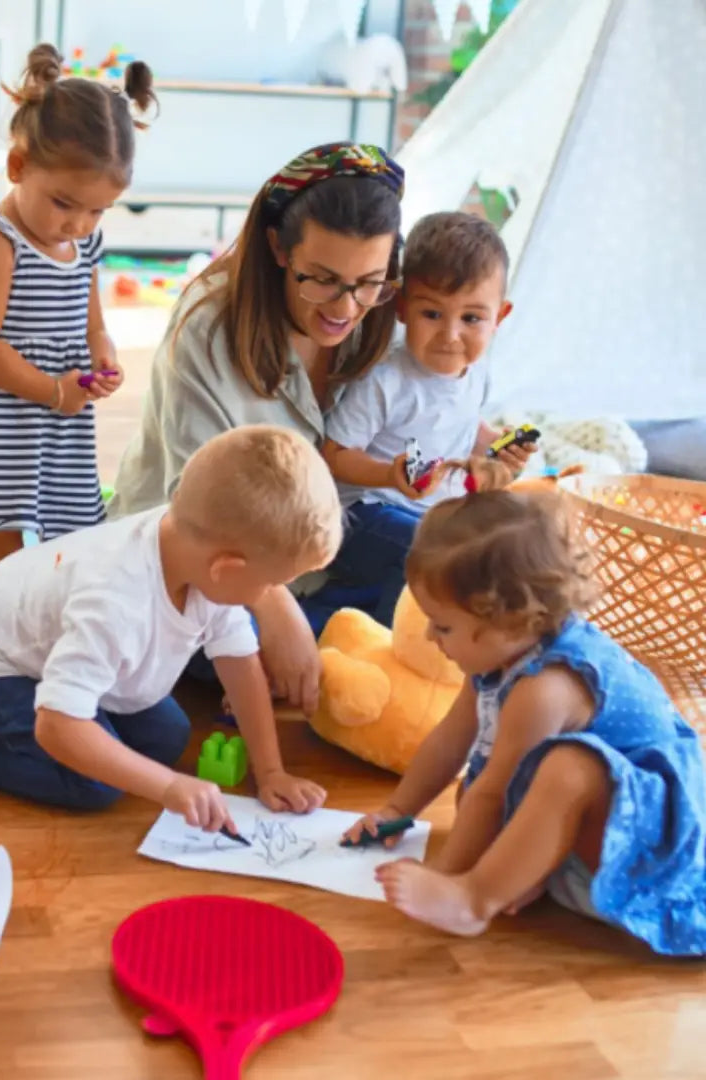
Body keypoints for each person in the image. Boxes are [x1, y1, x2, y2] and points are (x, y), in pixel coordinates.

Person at [0, 426, 338, 828]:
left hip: (46, 651)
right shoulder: (116, 601)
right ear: (225, 568)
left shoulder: (198, 551)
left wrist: (272, 771)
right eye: (275, 583)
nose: (275, 594)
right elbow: (58, 727)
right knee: (93, 785)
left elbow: (240, 666)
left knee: (167, 739)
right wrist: (167, 788)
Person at [345, 484, 706, 956]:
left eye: (444, 626)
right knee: (473, 788)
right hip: (596, 839)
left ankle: (476, 900)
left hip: (654, 850)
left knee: (564, 769)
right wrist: (397, 811)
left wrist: (444, 879)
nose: (431, 636)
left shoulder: (546, 687)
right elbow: (449, 742)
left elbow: (499, 791)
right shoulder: (497, 657)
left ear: (512, 620)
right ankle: (528, 874)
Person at [108, 141, 405, 715]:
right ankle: (321, 661)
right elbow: (194, 514)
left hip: (315, 554)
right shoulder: (208, 326)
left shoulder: (381, 311)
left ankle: (321, 662)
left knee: (435, 563)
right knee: (223, 637)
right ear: (277, 247)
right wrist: (274, 607)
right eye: (321, 279)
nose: (346, 308)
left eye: (369, 281)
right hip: (209, 565)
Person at [0, 43, 156, 584]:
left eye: (97, 210)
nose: (79, 225)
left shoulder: (85, 243)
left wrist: (103, 357)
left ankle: (24, 633)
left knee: (63, 546)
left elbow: (92, 323)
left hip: (55, 420)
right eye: (65, 203)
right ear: (18, 166)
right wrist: (52, 390)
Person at [322, 211, 534, 627]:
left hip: (433, 515)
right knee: (426, 554)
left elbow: (460, 425)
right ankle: (388, 651)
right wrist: (389, 475)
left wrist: (497, 447)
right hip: (364, 512)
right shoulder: (387, 378)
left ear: (499, 317)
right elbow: (333, 453)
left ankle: (350, 608)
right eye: (432, 314)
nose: (450, 335)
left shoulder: (477, 373)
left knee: (509, 541)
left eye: (471, 318)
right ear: (402, 308)